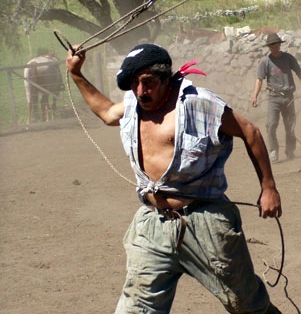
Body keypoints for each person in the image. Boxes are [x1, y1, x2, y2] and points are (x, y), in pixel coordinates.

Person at [66, 43, 282, 314]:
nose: (141, 91)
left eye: (148, 82)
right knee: (136, 308)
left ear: (165, 78)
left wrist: (268, 188)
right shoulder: (133, 104)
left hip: (205, 223)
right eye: (134, 83)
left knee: (246, 303)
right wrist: (76, 74)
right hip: (153, 224)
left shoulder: (198, 103)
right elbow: (107, 113)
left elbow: (251, 132)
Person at [251, 33, 301, 163]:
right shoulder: (265, 62)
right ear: (269, 47)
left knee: (290, 126)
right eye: (271, 46)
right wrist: (255, 96)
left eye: (276, 45)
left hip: (289, 97)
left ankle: (290, 151)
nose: (274, 48)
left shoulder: (288, 58)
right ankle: (273, 151)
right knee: (271, 125)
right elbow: (259, 80)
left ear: (279, 45)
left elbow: (299, 72)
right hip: (274, 97)